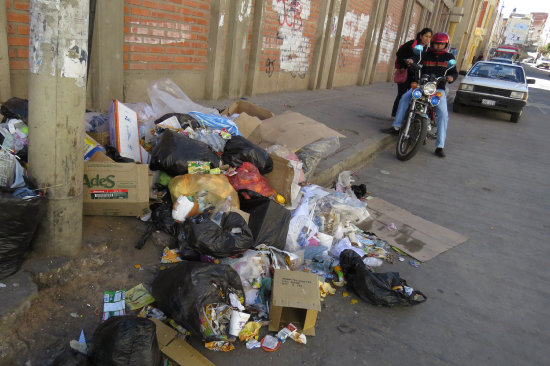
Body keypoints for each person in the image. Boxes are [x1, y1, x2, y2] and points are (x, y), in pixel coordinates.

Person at [382, 32, 458, 158]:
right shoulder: (425, 53)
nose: (438, 46)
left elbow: (454, 72)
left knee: (443, 114)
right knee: (405, 98)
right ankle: (396, 126)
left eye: (441, 44)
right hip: (422, 85)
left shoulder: (449, 57)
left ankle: (440, 146)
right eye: (436, 44)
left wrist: (451, 77)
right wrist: (412, 61)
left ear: (446, 45)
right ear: (432, 43)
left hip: (438, 89)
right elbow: (416, 60)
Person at [391, 28, 433, 118]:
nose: (427, 39)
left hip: (416, 76)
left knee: (414, 95)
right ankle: (395, 115)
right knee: (402, 95)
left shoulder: (427, 50)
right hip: (406, 72)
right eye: (426, 36)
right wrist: (402, 66)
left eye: (429, 37)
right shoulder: (412, 44)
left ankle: (406, 116)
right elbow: (399, 53)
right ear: (421, 36)